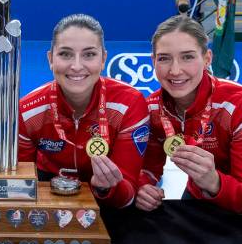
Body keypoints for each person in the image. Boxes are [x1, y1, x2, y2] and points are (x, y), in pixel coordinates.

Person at [136, 15, 242, 215]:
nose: (175, 70)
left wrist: (214, 181)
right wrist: (143, 187)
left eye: (188, 56)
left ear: (207, 58)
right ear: (153, 61)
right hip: (202, 193)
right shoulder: (152, 108)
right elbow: (149, 169)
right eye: (164, 58)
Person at [18, 14, 150, 208]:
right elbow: (21, 187)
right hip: (48, 195)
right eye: (65, 54)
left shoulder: (129, 104)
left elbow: (127, 196)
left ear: (103, 58)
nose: (77, 66)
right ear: (50, 59)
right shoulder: (29, 111)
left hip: (108, 201)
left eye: (89, 54)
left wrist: (107, 188)